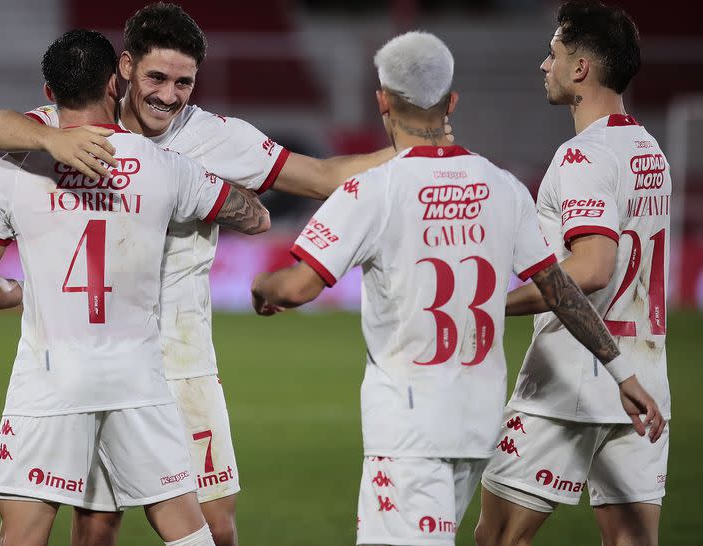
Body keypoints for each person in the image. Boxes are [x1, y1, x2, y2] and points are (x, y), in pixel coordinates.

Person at [0, 4, 409, 545]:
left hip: (182, 357)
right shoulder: (62, 125)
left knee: (216, 523)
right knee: (97, 526)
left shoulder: (214, 137)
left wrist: (415, 151)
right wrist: (52, 139)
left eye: (185, 83)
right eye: (157, 77)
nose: (169, 95)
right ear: (124, 69)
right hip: (106, 357)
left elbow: (321, 176)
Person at [249, 30, 664, 546]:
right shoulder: (503, 186)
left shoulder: (372, 189)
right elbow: (561, 291)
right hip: (477, 424)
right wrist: (623, 371)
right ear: (450, 101)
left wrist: (262, 284)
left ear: (381, 100)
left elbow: (296, 289)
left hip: (407, 425)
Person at [0, 29, 269, 546]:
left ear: (48, 94)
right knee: (185, 528)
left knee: (26, 535)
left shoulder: (13, 171)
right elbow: (254, 217)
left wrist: (22, 293)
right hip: (137, 379)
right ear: (114, 83)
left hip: (49, 378)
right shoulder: (167, 167)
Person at [475, 3, 672, 546]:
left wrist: (490, 302)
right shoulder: (647, 149)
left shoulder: (582, 157)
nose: (545, 65)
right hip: (643, 379)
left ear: (580, 68)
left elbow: (590, 268)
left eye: (554, 54)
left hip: (569, 382)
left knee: (498, 540)